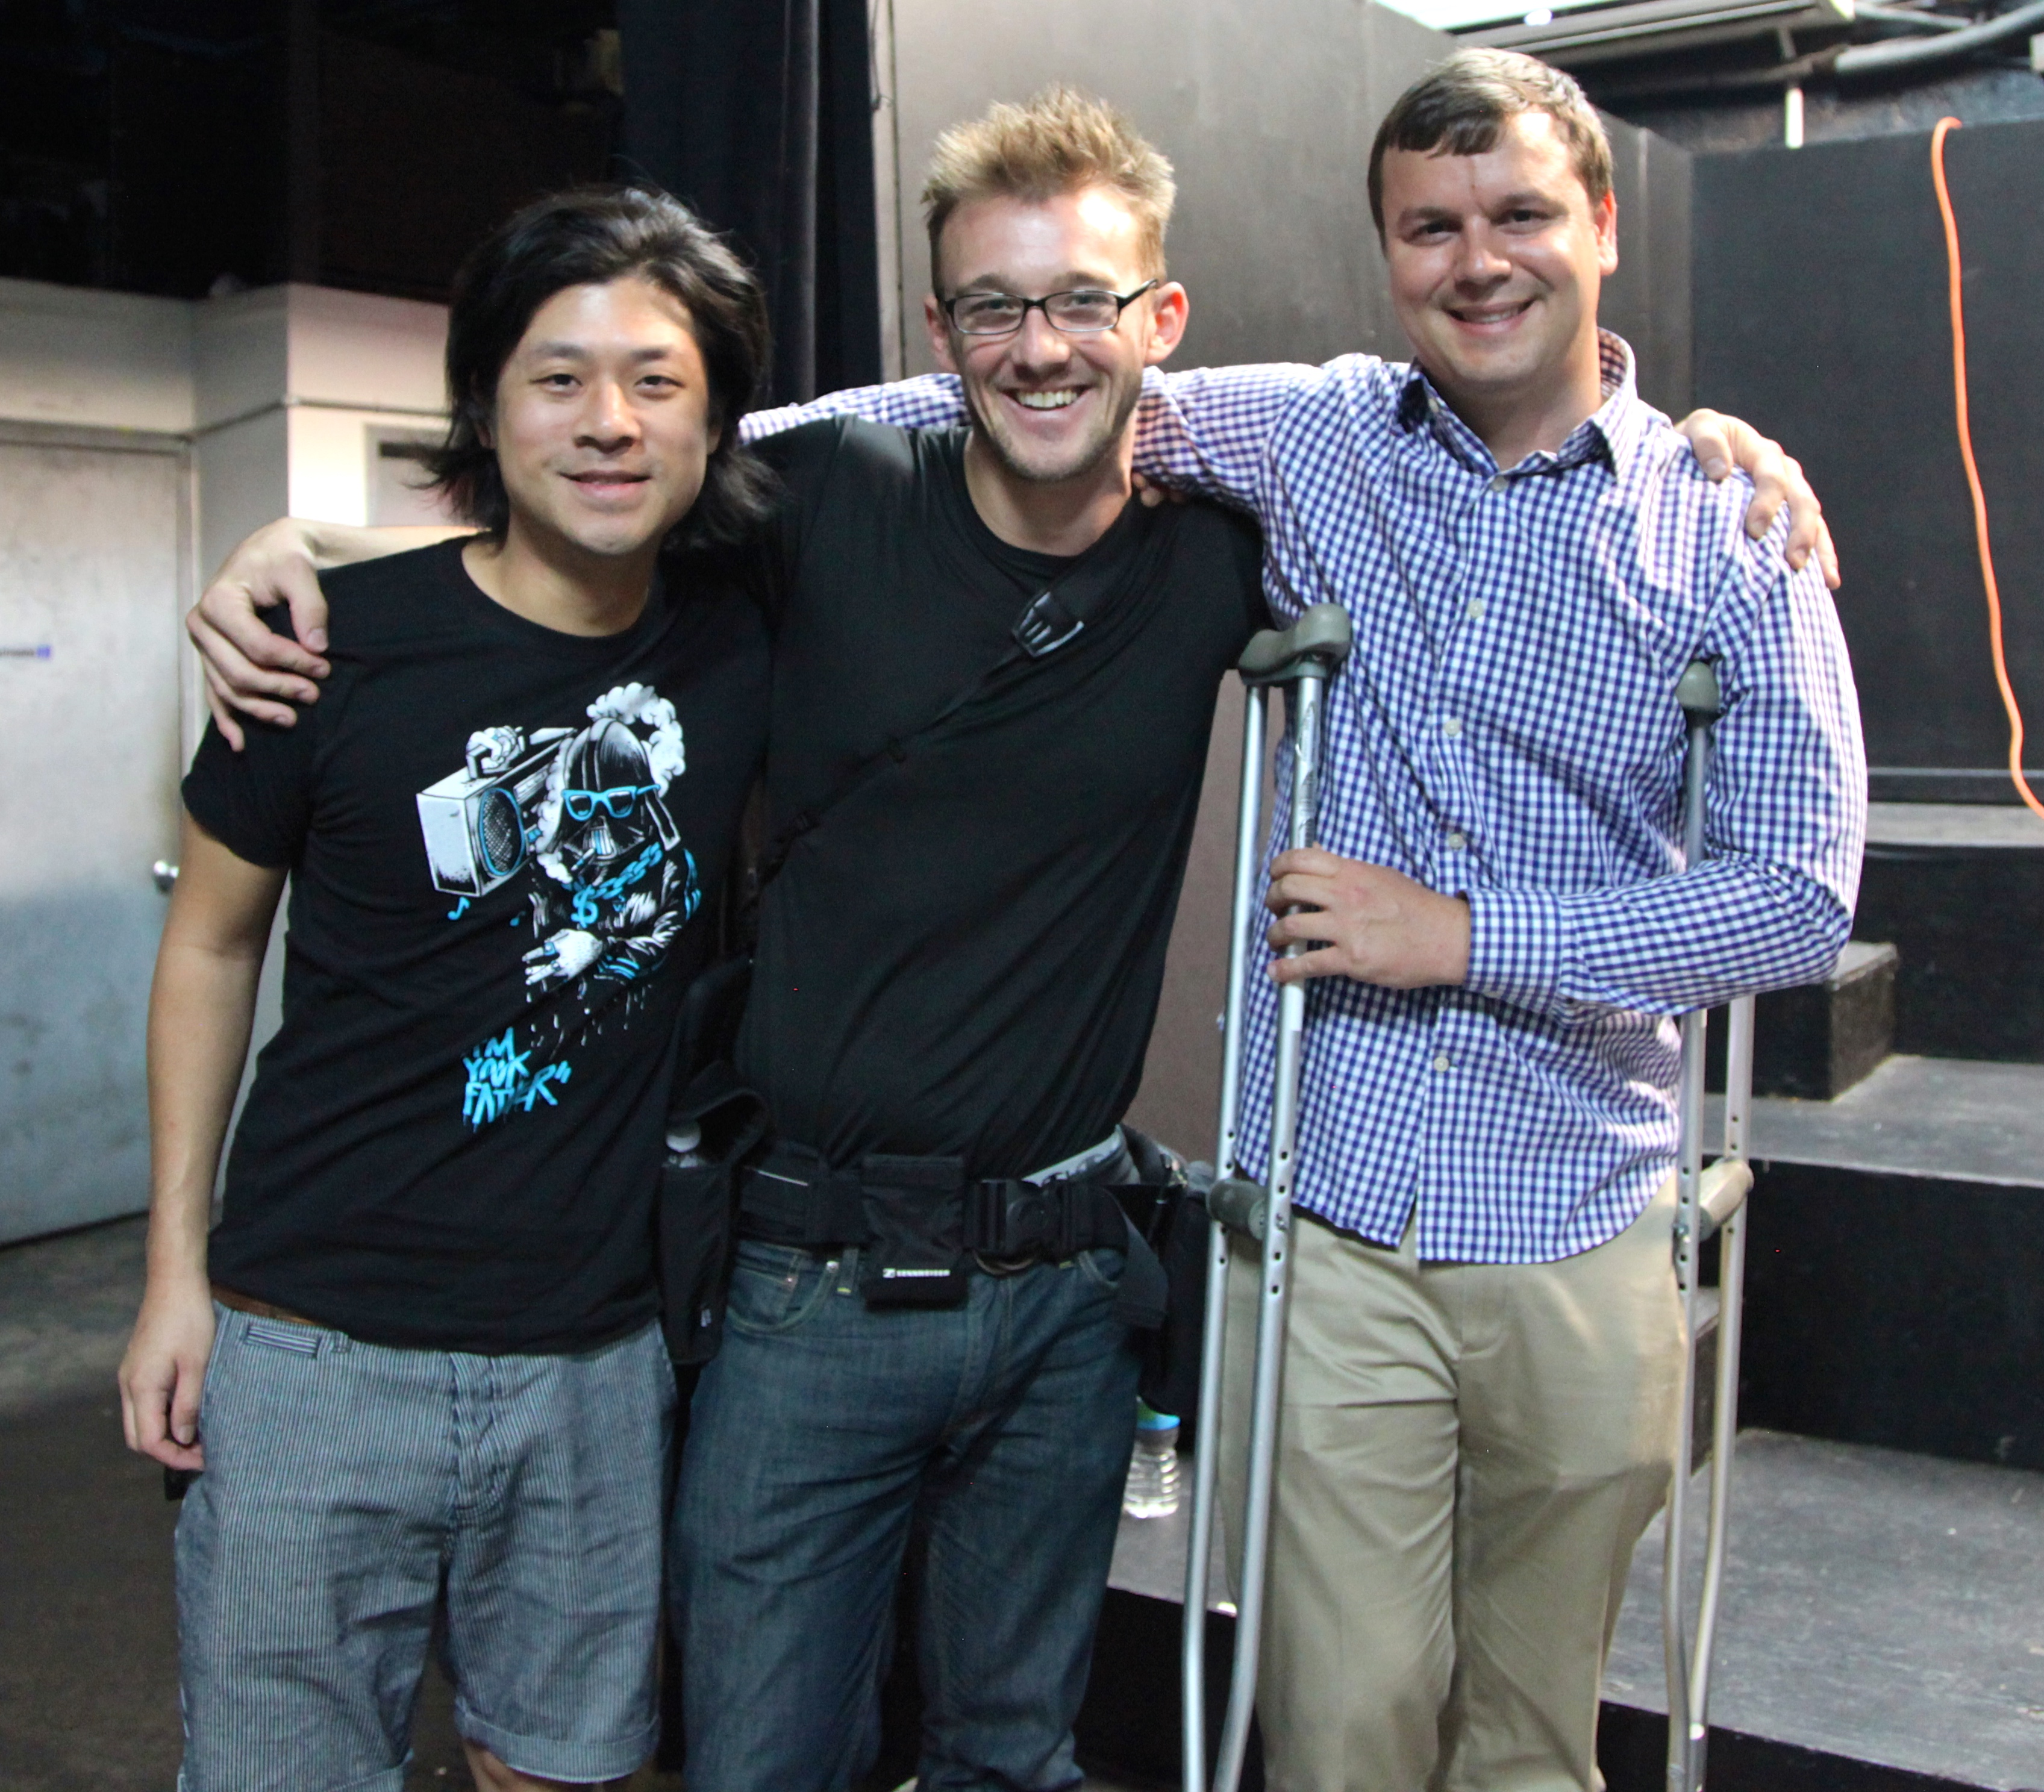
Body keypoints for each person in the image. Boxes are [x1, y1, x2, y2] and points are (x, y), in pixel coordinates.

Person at [184, 87, 1832, 1792]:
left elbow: (1797, 886)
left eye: (1084, 305)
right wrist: (320, 557)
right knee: (807, 1757)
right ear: (942, 330)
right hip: (891, 1270)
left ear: (1158, 325)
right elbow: (623, 475)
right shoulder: (997, 471)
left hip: (1228, 1262)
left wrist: (1470, 915)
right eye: (994, 308)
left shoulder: (1424, 522)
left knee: (1141, 1748)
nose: (1042, 348)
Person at [117, 188, 775, 1792]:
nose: (609, 421)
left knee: (560, 1769)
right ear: (484, 406)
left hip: (597, 1363)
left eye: (656, 379)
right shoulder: (330, 649)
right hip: (309, 1344)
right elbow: (208, 945)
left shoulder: (747, 641)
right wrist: (170, 1276)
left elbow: (962, 427)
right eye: (557, 378)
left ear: (712, 415)